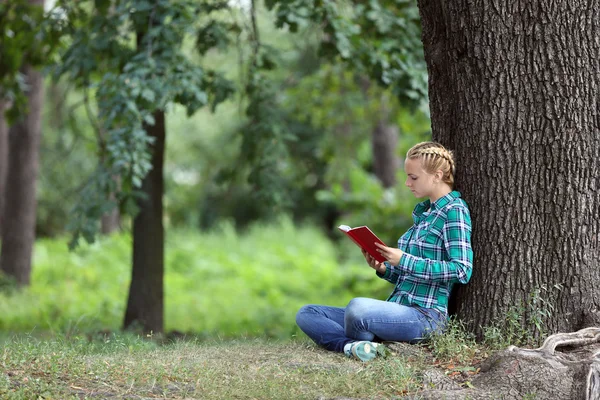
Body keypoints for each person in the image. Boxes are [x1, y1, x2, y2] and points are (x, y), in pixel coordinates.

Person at [295, 141, 473, 362]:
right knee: (308, 312)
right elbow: (408, 274)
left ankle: (356, 344)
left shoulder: (454, 211)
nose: (407, 183)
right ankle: (353, 347)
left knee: (357, 308)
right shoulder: (425, 214)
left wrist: (404, 260)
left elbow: (462, 270)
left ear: (437, 175)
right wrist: (384, 268)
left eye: (413, 177)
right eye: (407, 176)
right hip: (397, 308)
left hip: (425, 316)